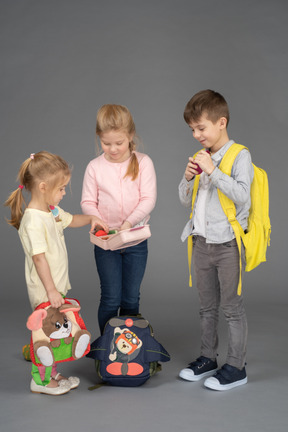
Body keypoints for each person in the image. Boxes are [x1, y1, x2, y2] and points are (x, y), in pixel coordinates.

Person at [5, 151, 108, 395]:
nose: (64, 193)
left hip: (55, 288)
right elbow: (38, 258)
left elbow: (71, 220)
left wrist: (92, 218)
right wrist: (51, 290)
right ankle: (39, 381)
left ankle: (51, 374)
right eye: (61, 188)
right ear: (43, 187)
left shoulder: (51, 211)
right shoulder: (33, 220)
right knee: (44, 336)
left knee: (56, 332)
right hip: (45, 289)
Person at [178, 90, 254, 391]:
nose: (196, 135)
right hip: (201, 243)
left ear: (221, 122)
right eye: (192, 130)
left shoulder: (240, 155)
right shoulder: (203, 157)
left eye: (201, 128)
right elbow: (186, 201)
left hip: (228, 246)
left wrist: (214, 171)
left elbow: (242, 196)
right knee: (206, 307)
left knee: (232, 308)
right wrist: (187, 178)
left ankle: (236, 366)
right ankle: (208, 358)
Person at [81, 104, 157, 334]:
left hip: (135, 241)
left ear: (130, 136)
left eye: (119, 143)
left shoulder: (143, 162)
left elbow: (148, 199)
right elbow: (87, 201)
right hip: (107, 243)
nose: (113, 149)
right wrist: (94, 218)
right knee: (110, 298)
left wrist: (128, 224)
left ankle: (128, 346)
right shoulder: (94, 167)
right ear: (99, 138)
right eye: (106, 143)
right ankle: (106, 346)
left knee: (131, 298)